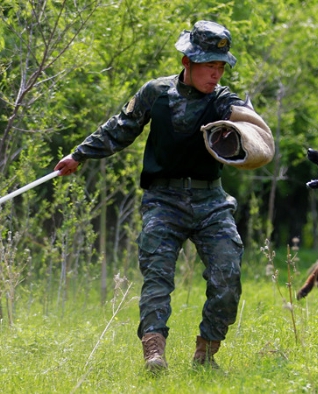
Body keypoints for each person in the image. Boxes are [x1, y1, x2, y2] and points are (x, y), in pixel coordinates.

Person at [55, 20, 274, 372]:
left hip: (211, 204)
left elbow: (254, 132)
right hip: (163, 201)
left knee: (228, 275)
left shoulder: (223, 101)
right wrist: (78, 155)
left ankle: (206, 354)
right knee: (157, 277)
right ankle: (154, 352)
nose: (215, 74)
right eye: (209, 66)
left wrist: (245, 132)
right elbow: (119, 128)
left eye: (220, 67)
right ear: (187, 62)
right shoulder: (155, 93)